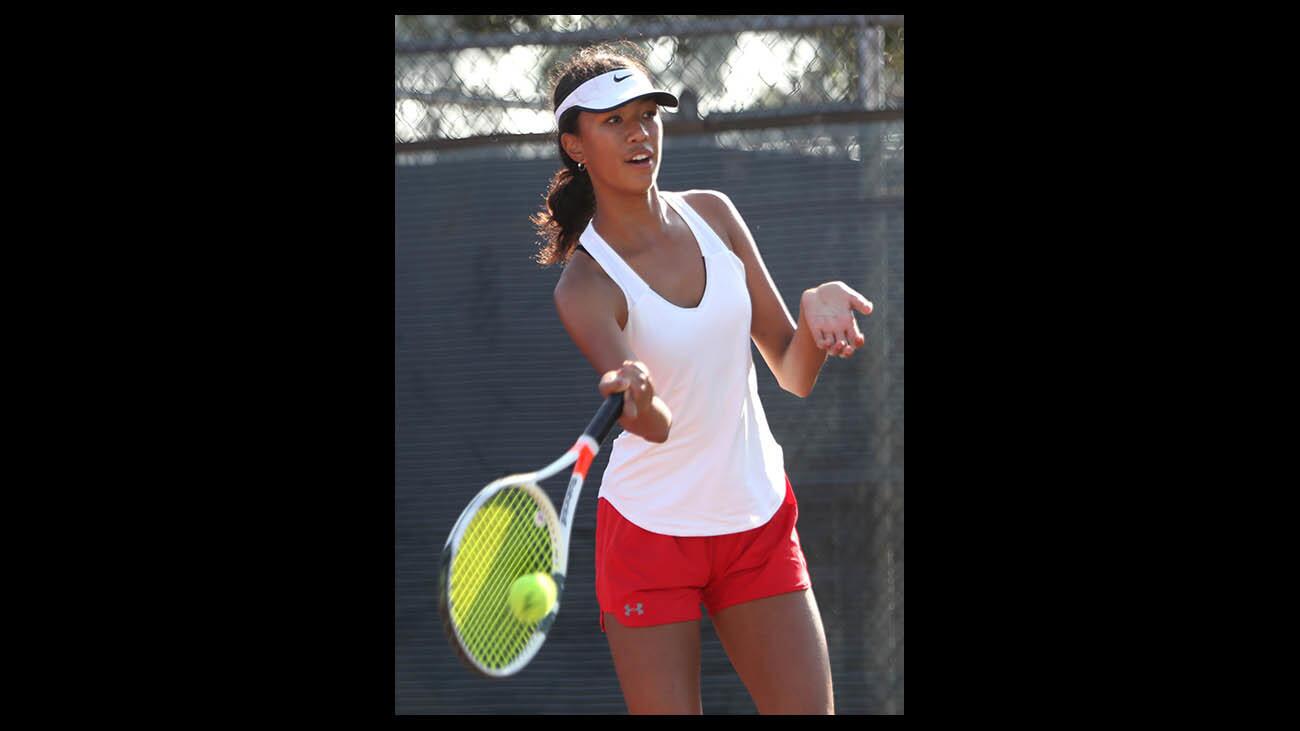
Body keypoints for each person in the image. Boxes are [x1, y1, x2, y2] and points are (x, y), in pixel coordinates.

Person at [531, 44, 873, 715]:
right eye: (613, 121)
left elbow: (792, 369)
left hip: (757, 519)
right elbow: (651, 426)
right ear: (575, 145)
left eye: (647, 116)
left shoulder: (715, 214)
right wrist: (635, 392)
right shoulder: (586, 285)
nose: (639, 133)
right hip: (650, 535)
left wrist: (812, 309)